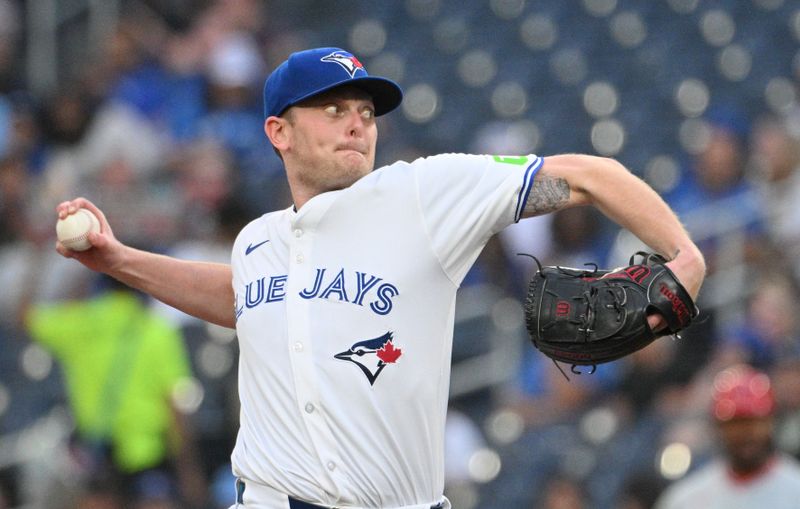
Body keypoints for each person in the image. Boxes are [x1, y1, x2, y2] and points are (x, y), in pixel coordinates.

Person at [55, 47, 706, 509]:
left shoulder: (422, 193)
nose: (358, 121)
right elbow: (243, 296)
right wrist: (119, 259)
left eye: (365, 109)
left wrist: (683, 254)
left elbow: (591, 175)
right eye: (333, 108)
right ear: (277, 131)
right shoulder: (258, 239)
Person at [22, 275, 207, 509]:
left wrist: (74, 280)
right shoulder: (156, 330)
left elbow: (25, 316)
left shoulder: (81, 322)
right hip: (146, 454)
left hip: (96, 453)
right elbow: (175, 403)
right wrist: (188, 468)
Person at [654, 364, 800, 509]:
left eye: (752, 421)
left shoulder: (795, 488)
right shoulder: (685, 498)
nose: (744, 432)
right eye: (735, 423)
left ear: (770, 421)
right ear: (718, 426)